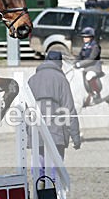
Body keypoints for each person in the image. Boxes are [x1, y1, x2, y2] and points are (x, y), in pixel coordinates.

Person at [27, 51, 81, 182]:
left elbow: (26, 110)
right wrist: (75, 136)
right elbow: (69, 110)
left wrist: (27, 134)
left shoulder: (31, 80)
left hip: (36, 132)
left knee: (38, 168)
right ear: (60, 63)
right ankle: (54, 198)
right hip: (56, 131)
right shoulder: (61, 80)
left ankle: (39, 198)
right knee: (54, 169)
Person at [75, 26, 103, 106]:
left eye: (86, 37)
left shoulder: (95, 46)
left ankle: (96, 93)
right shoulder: (85, 46)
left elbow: (92, 59)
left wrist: (80, 64)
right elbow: (80, 56)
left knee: (89, 76)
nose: (84, 38)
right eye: (83, 37)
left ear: (91, 37)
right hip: (86, 66)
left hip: (94, 67)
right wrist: (75, 62)